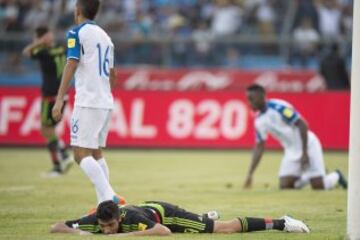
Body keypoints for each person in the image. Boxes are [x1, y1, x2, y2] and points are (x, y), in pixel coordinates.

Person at [51, 0, 125, 205]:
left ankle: (109, 196)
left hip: (88, 101)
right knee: (95, 152)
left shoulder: (76, 33)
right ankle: (104, 204)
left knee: (79, 154)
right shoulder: (106, 37)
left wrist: (59, 99)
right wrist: (104, 92)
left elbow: (71, 64)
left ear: (78, 10)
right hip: (105, 101)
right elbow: (113, 74)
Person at [243, 84, 347, 190]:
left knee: (319, 186)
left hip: (308, 144)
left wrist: (305, 152)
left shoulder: (279, 107)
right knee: (285, 186)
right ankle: (312, 175)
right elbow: (259, 147)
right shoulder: (259, 121)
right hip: (291, 150)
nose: (249, 103)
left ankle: (336, 176)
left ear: (262, 96)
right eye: (248, 99)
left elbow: (303, 124)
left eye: (251, 99)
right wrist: (250, 174)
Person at [50, 200, 310, 236]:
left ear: (119, 218)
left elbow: (163, 232)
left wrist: (122, 235)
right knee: (205, 222)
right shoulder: (94, 220)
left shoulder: (131, 219)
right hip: (151, 210)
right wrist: (79, 232)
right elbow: (56, 227)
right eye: (102, 227)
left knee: (223, 229)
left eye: (110, 226)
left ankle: (280, 222)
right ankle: (203, 216)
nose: (106, 231)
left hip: (169, 216)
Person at [22, 26, 73, 177]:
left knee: (46, 130)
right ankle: (57, 166)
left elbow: (26, 52)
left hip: (49, 95)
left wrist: (38, 43)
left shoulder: (43, 51)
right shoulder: (61, 48)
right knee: (50, 130)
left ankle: (63, 155)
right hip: (63, 94)